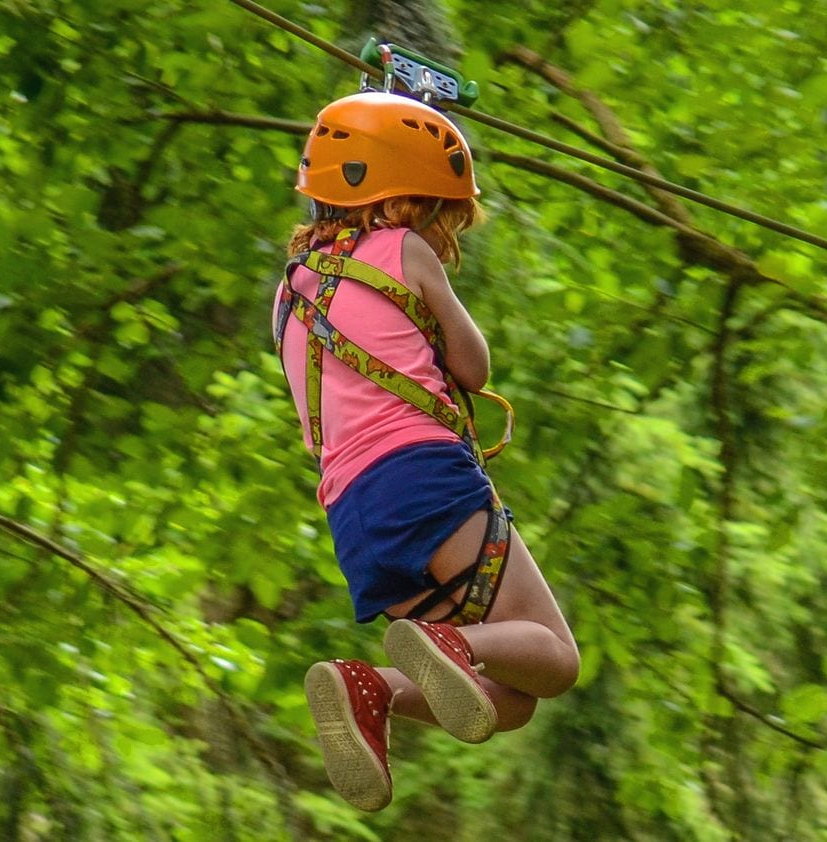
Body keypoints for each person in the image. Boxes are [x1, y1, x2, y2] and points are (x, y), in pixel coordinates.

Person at [271, 91, 578, 812]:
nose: (445, 233)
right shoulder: (402, 251)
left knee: (512, 698)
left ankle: (369, 687)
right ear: (404, 200)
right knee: (554, 659)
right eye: (441, 213)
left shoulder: (287, 296)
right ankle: (446, 644)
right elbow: (474, 367)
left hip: (354, 515)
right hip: (424, 477)